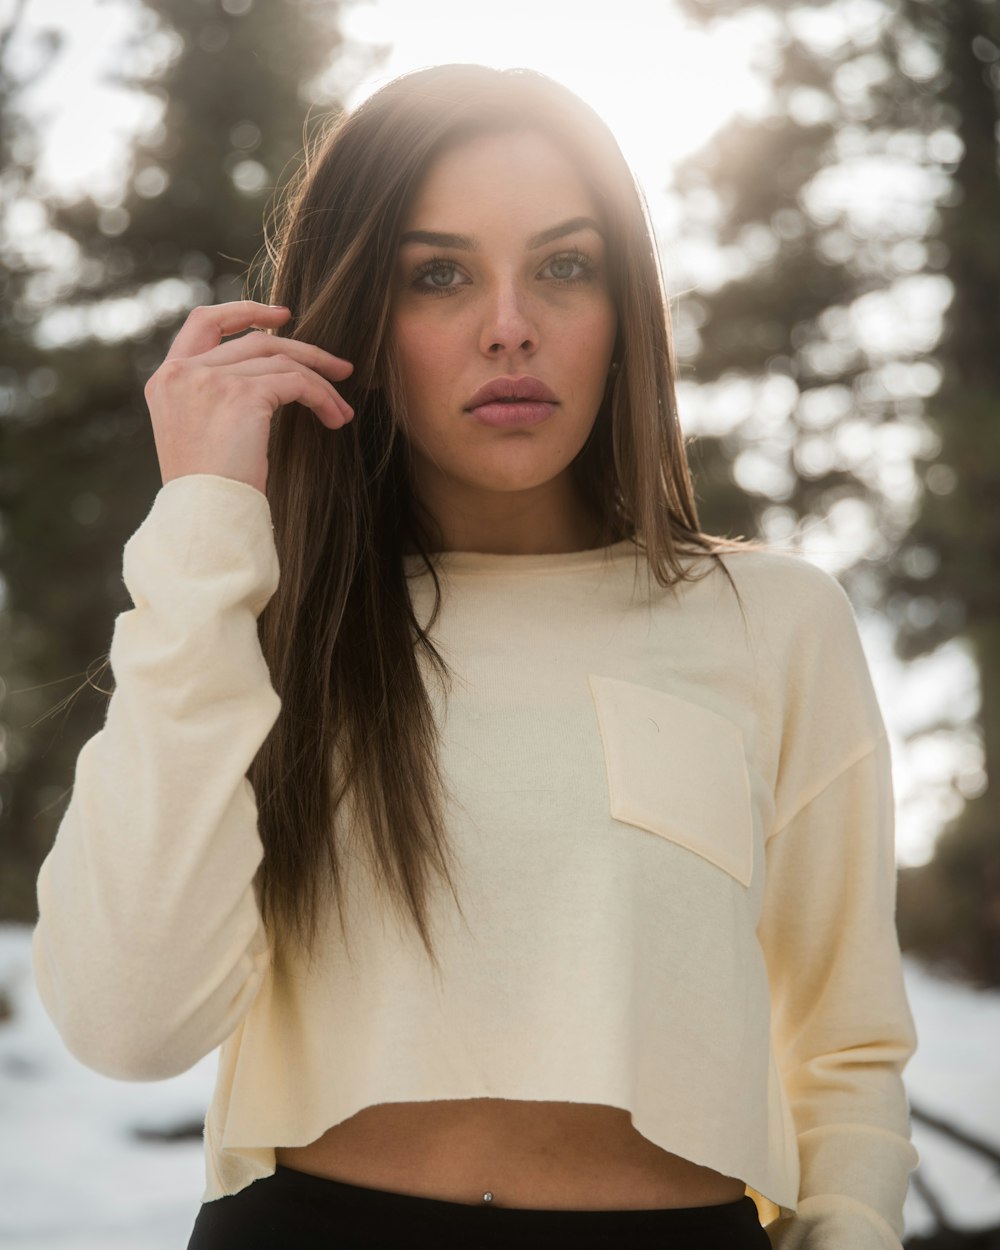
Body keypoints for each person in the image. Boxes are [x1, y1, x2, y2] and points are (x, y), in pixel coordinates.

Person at [32, 64, 918, 1249]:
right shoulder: (264, 617)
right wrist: (201, 517)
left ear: (623, 310)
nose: (512, 323)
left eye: (564, 265)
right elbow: (127, 1022)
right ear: (361, 320)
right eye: (437, 274)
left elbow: (848, 1046)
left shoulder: (772, 619)